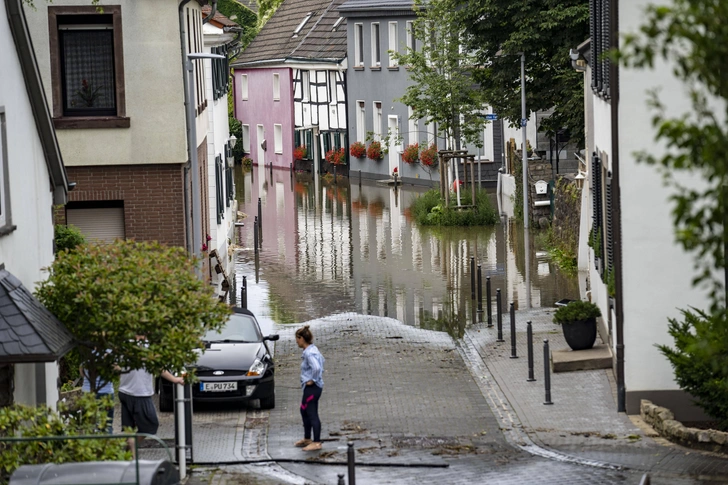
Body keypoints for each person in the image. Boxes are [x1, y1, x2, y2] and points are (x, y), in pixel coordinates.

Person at [119, 366, 183, 457]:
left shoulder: (125, 351)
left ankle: (130, 458)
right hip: (139, 393)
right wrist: (175, 379)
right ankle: (131, 445)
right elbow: (157, 367)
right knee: (151, 425)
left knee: (129, 428)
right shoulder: (147, 353)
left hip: (124, 391)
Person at [294, 325, 325, 452]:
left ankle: (316, 442)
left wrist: (313, 380)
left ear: (302, 338)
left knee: (312, 413)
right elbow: (322, 360)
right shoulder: (313, 349)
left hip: (312, 389)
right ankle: (307, 438)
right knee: (304, 410)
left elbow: (317, 367)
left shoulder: (309, 353)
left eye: (297, 339)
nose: (296, 342)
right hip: (311, 389)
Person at [80, 362, 115, 434]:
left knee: (88, 422)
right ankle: (107, 443)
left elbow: (81, 372)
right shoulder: (109, 354)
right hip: (106, 391)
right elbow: (115, 370)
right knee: (106, 423)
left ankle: (89, 442)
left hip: (88, 391)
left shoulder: (86, 353)